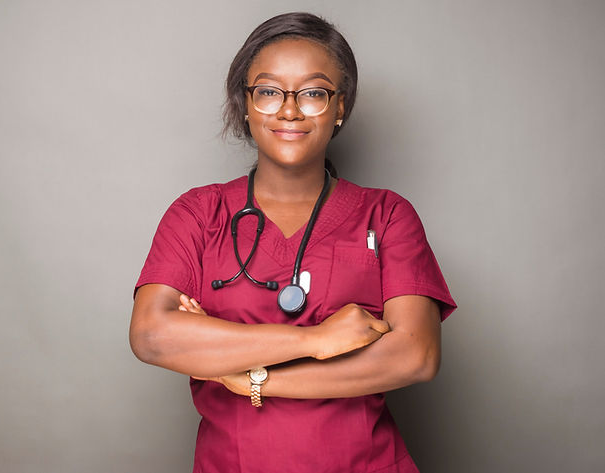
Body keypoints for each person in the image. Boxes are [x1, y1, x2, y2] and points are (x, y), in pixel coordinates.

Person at [129, 12, 456, 473]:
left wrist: (253, 381)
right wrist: (320, 340)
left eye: (313, 93)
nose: (289, 110)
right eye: (267, 91)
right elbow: (152, 336)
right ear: (244, 104)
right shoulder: (198, 215)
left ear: (340, 107)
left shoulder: (387, 215)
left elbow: (415, 355)